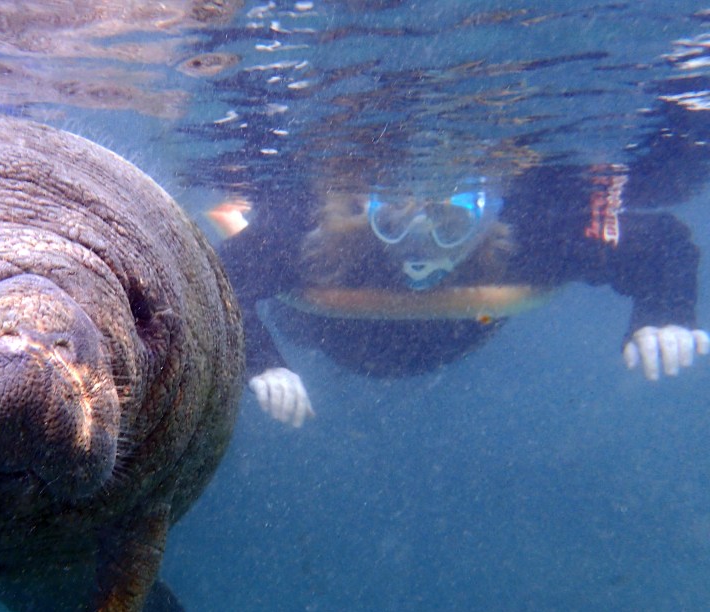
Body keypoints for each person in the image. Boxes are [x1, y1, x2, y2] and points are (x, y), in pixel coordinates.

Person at [215, 133, 710, 427]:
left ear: (488, 220)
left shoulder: (532, 236)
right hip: (325, 334)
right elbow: (225, 277)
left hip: (453, 332)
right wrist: (262, 363)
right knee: (278, 278)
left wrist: (664, 312)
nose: (420, 246)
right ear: (368, 212)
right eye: (394, 220)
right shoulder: (312, 235)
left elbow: (659, 242)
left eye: (450, 224)